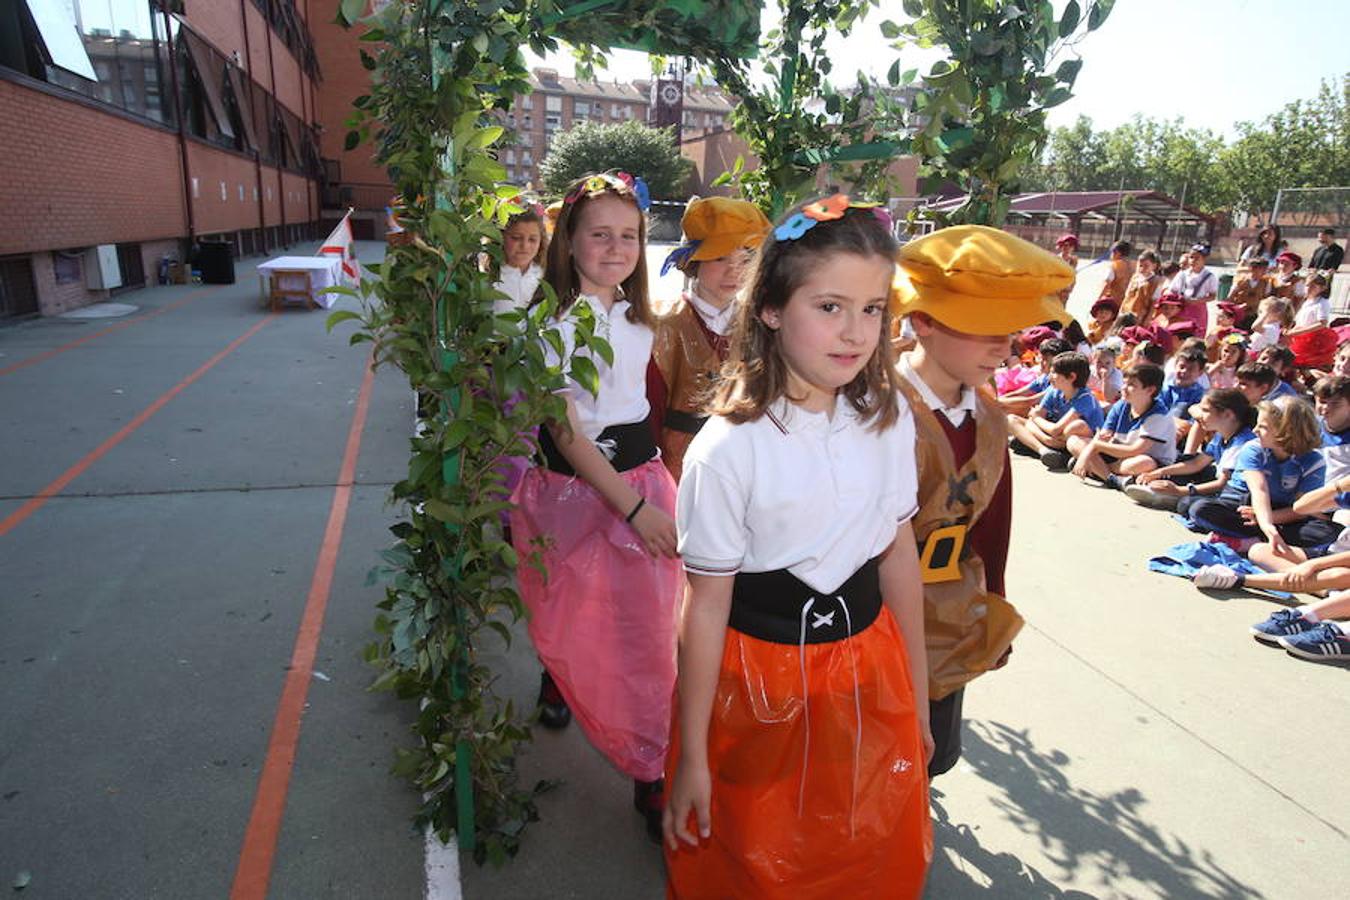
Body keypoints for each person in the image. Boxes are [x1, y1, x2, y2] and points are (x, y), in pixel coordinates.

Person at [664, 197, 932, 896]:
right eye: (831, 307)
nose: (855, 333)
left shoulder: (890, 417)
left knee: (866, 848)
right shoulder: (727, 450)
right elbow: (704, 605)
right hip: (758, 687)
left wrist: (921, 703)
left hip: (870, 674)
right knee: (758, 858)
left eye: (873, 309)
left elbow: (897, 556)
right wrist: (692, 755)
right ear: (773, 310)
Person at [509, 171, 681, 841]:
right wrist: (633, 510)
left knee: (646, 631)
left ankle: (651, 770)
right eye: (600, 234)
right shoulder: (551, 320)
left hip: (640, 477)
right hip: (573, 494)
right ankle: (562, 679)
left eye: (630, 235)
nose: (616, 248)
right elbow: (563, 430)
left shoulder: (639, 315)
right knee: (569, 615)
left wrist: (649, 494)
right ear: (569, 241)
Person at [894, 223, 1073, 778]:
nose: (1004, 345)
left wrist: (991, 607)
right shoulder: (875, 410)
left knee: (932, 753)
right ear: (922, 321)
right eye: (983, 328)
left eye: (1010, 329)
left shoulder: (991, 417)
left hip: (949, 608)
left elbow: (992, 526)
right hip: (869, 614)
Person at [650, 196, 771, 480]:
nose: (735, 270)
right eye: (720, 258)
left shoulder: (759, 324)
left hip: (742, 462)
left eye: (745, 258)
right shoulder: (665, 325)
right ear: (694, 261)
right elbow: (651, 409)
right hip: (677, 465)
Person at [1181, 397, 1336, 552]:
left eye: (1262, 426)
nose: (1255, 431)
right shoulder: (1253, 449)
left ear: (1285, 431)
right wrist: (1267, 524)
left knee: (1329, 531)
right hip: (1245, 504)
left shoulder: (1313, 461)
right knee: (1199, 508)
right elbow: (1259, 490)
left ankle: (1249, 540)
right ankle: (1260, 539)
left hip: (1281, 512)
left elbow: (1302, 508)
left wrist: (1269, 519)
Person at [1124, 388, 1256, 511]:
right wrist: (1158, 472)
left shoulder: (1242, 442)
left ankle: (1172, 497)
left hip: (1232, 493)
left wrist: (1179, 491)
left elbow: (1222, 483)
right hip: (1215, 479)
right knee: (1181, 464)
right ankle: (1157, 489)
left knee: (1191, 506)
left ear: (1227, 414)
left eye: (1205, 411)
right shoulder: (1222, 434)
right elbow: (1197, 463)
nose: (1199, 415)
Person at [1067, 363, 1176, 489]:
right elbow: (1103, 437)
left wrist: (1089, 453)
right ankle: (1112, 478)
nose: (1123, 388)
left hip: (1147, 459)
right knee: (1073, 441)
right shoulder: (1122, 404)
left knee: (1144, 463)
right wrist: (1089, 451)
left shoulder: (1159, 415)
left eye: (1131, 385)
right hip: (1118, 453)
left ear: (1150, 390)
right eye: (1124, 383)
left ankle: (1095, 469)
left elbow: (1135, 450)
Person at [1008, 351, 1104, 467]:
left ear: (1072, 377)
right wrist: (1037, 421)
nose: (1049, 377)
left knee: (1075, 427)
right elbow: (1040, 416)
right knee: (1011, 419)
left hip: (1075, 439)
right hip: (1055, 437)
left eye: (1054, 373)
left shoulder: (1085, 398)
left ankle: (1037, 444)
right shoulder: (1055, 390)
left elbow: (1054, 429)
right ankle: (1044, 451)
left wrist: (1035, 418)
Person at [491, 200, 548, 313]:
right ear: (501, 237)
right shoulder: (487, 273)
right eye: (516, 238)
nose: (525, 246)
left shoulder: (544, 276)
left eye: (532, 240)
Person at [1167, 242, 1217, 334]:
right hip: (1180, 308)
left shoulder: (1209, 277)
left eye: (1197, 258)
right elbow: (1172, 290)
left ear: (1204, 259)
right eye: (1191, 257)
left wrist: (1197, 300)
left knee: (1195, 334)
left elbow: (1212, 296)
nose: (1193, 260)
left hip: (1197, 310)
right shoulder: (1182, 274)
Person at [1120, 249, 1163, 324]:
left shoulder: (1156, 282)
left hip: (1140, 317)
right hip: (1126, 313)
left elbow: (1153, 304)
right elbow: (1126, 298)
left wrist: (1147, 320)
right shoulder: (1135, 278)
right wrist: (1120, 313)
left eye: (1146, 266)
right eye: (1140, 265)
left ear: (1154, 266)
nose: (1142, 268)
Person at [1228, 256, 1271, 327]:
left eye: (1265, 269)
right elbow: (1230, 296)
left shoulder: (1266, 283)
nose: (1264, 272)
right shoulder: (1240, 281)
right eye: (1262, 269)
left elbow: (1266, 299)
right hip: (1239, 313)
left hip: (1254, 315)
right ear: (1252, 269)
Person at [1098, 240, 1135, 305]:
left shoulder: (1115, 266)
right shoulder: (1134, 266)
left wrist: (1098, 300)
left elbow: (1106, 285)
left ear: (1117, 252)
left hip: (1113, 302)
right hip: (1128, 303)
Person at [1054, 233, 1079, 302]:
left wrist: (1070, 288)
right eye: (1065, 245)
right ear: (1061, 246)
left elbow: (1073, 276)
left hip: (1065, 291)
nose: (1067, 247)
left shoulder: (1073, 260)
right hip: (1054, 290)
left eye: (1071, 245)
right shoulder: (1056, 259)